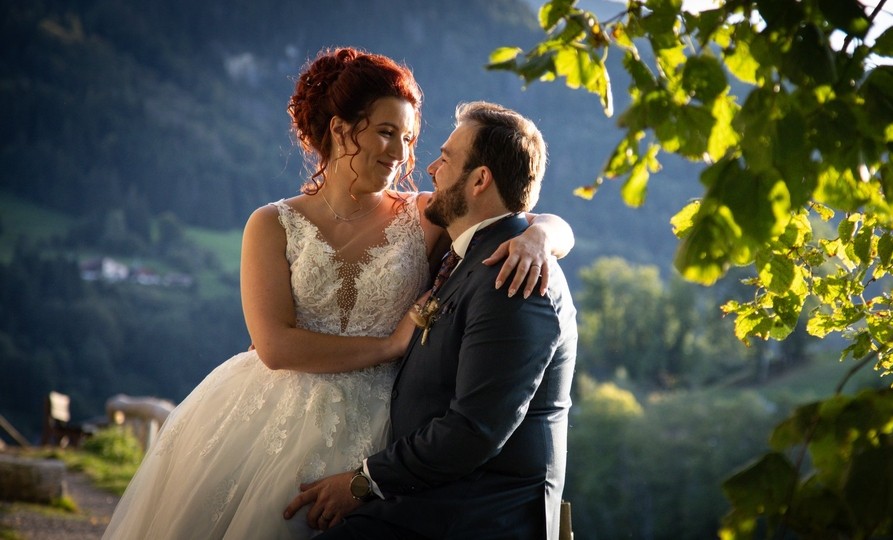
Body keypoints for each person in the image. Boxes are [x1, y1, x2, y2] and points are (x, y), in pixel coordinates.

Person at [102, 49, 573, 540]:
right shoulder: (271, 224)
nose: (403, 154)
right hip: (272, 412)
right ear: (341, 128)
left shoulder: (425, 216)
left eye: (409, 138)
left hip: (378, 425)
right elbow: (276, 347)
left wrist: (542, 239)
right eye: (386, 133)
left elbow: (510, 210)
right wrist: (388, 347)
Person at [284, 101, 578, 539]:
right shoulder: (471, 256)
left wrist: (362, 482)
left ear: (479, 180)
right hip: (428, 503)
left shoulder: (513, 277)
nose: (432, 169)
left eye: (446, 158)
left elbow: (474, 430)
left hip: (473, 517)